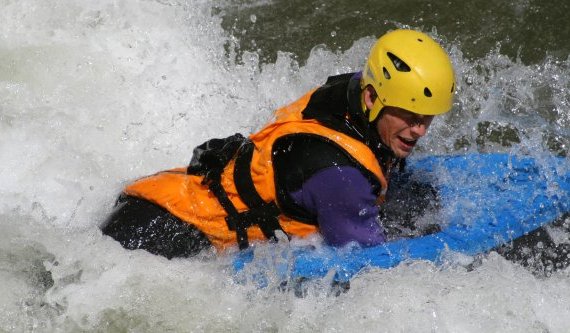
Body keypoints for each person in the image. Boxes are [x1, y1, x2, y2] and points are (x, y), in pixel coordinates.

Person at [101, 29, 456, 259]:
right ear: (371, 97)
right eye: (410, 115)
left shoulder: (346, 96)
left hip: (152, 200)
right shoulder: (341, 176)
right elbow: (370, 267)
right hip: (160, 242)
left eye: (427, 118)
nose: (420, 130)